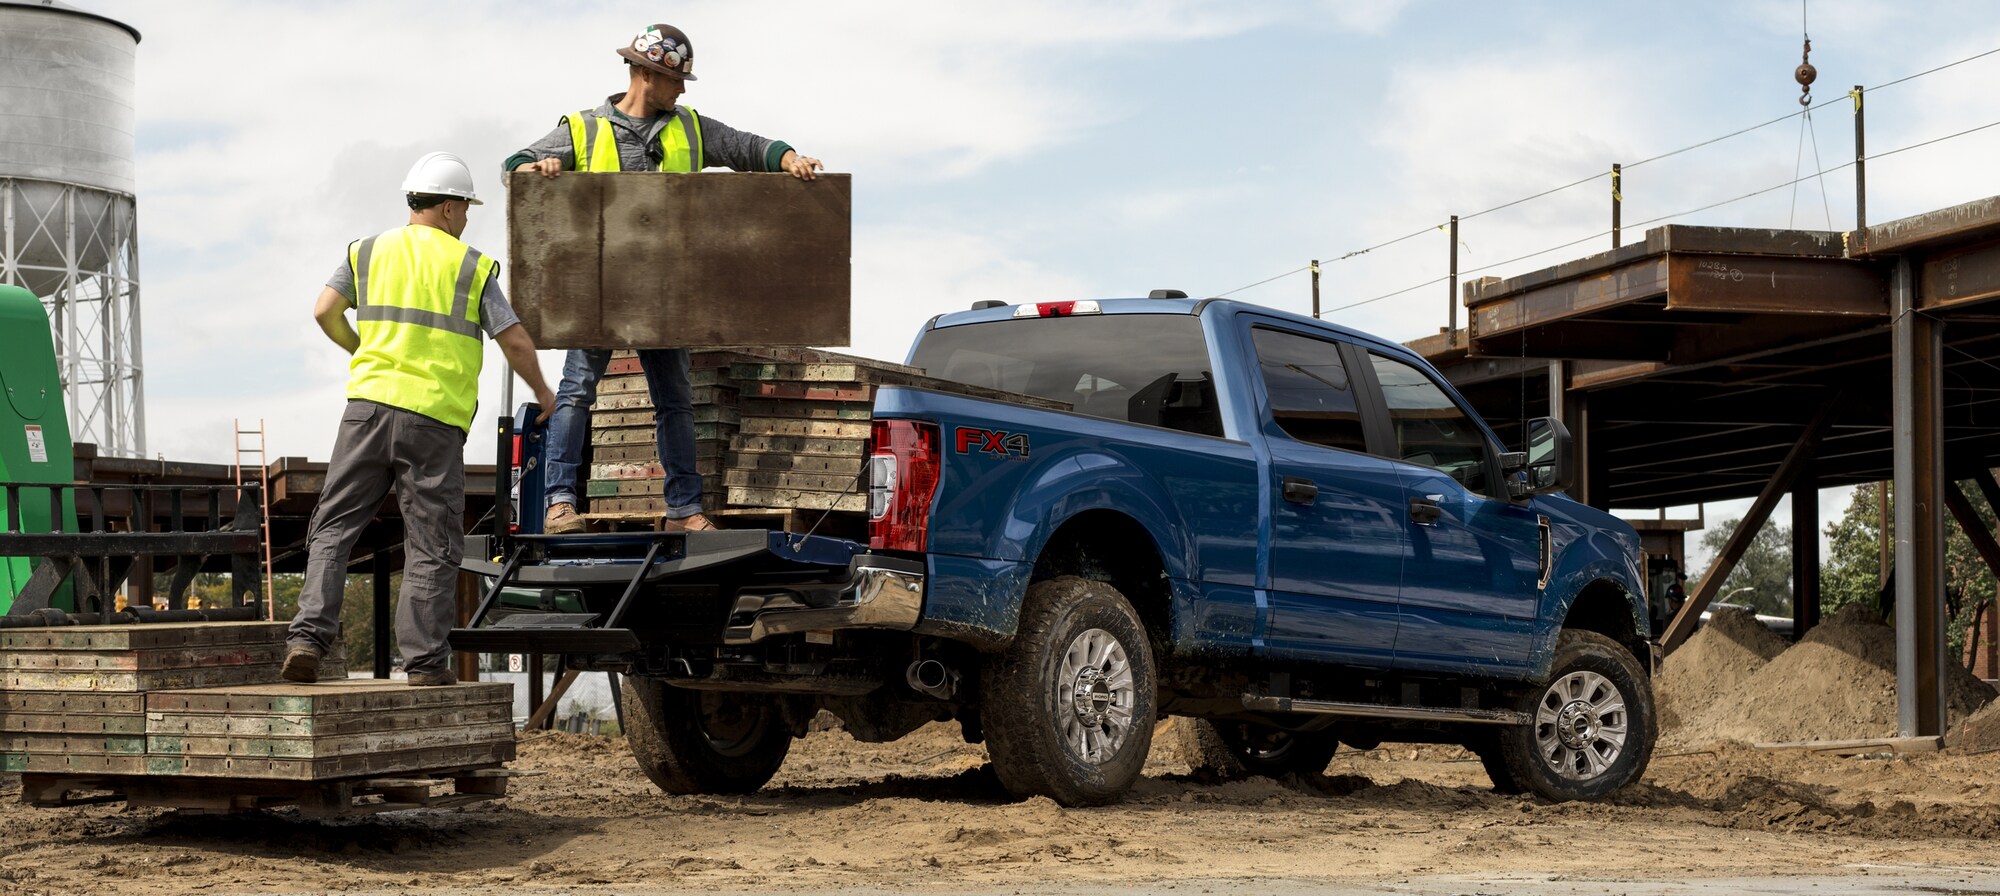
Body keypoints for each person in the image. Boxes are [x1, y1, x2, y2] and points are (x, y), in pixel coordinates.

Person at [507, 23, 824, 535]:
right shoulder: (582, 129)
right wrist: (534, 169)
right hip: (601, 290)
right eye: (676, 79)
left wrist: (789, 158)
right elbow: (516, 164)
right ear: (647, 74)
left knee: (674, 400)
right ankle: (560, 502)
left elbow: (745, 146)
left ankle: (684, 510)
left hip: (665, 293)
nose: (682, 89)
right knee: (576, 393)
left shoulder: (692, 128)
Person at [282, 151, 556, 686]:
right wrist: (545, 394)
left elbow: (323, 310)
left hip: (366, 409)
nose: (467, 219)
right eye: (466, 209)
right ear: (451, 207)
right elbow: (513, 338)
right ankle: (425, 664)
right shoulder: (470, 265)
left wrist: (364, 350)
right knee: (431, 541)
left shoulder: (367, 251)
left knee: (334, 526)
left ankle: (307, 639)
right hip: (432, 420)